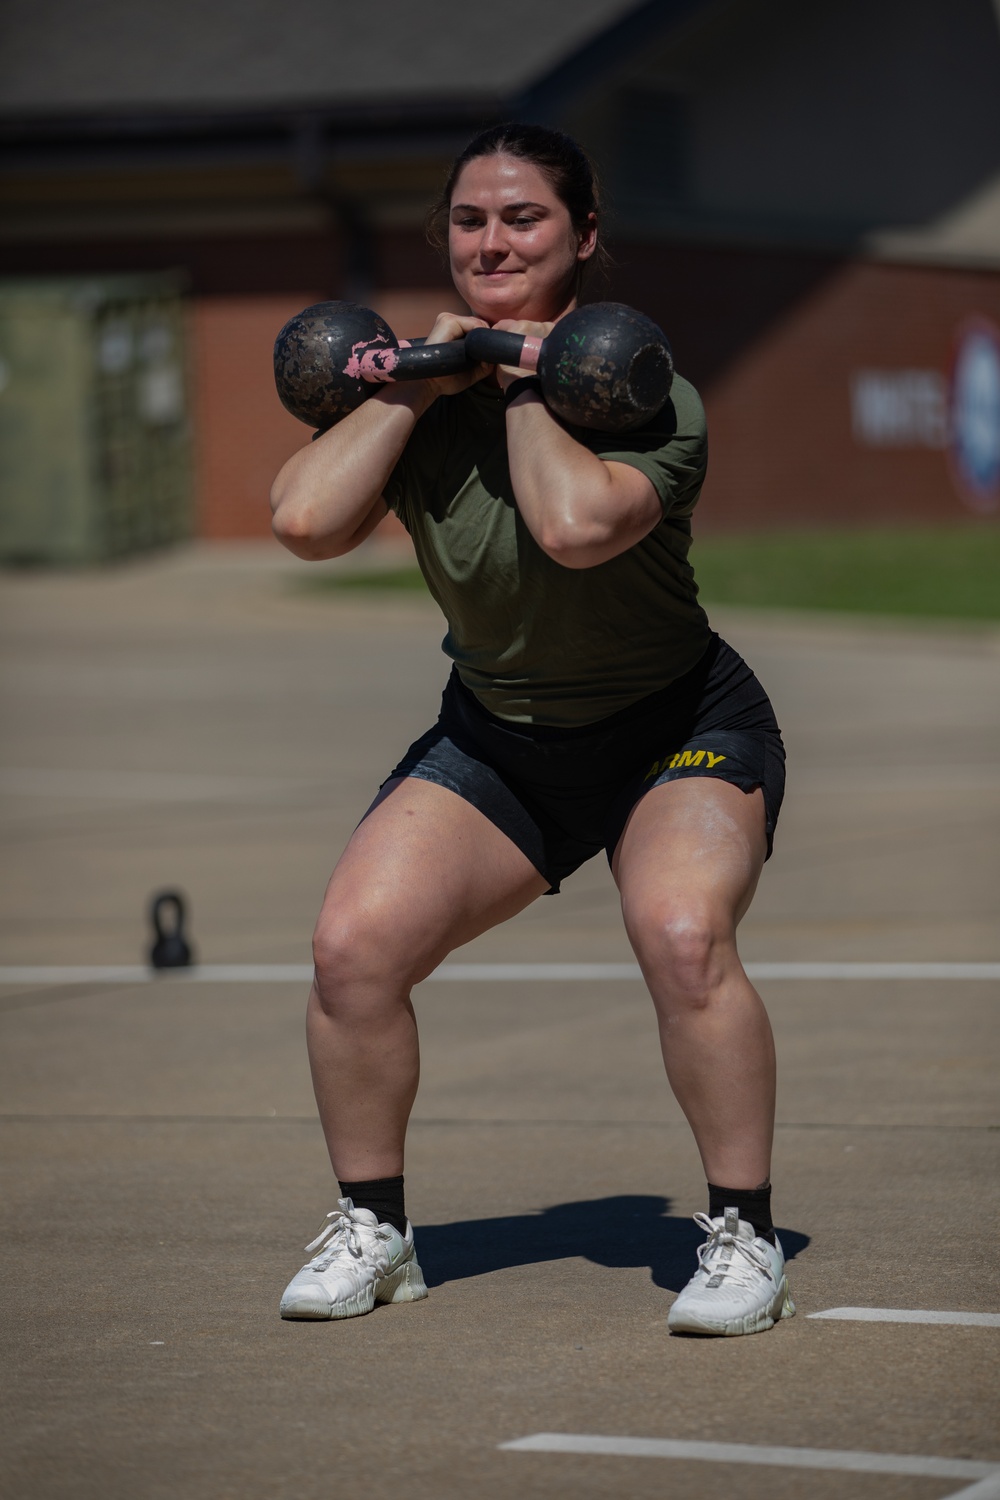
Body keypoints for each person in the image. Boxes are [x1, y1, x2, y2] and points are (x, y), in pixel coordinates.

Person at [269, 122, 794, 1337]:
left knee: (678, 932)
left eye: (523, 218)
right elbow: (305, 522)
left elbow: (569, 528)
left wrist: (516, 378)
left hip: (675, 730)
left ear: (583, 236)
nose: (492, 239)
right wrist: (417, 382)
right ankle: (378, 1231)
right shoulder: (417, 396)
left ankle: (742, 1235)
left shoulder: (643, 389)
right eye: (468, 220)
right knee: (352, 951)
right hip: (502, 736)